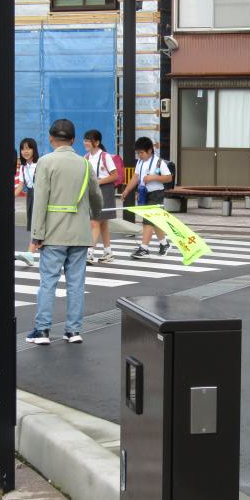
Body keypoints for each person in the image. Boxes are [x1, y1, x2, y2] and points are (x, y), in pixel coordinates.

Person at [26, 119, 102, 346]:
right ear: (73, 140)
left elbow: (40, 200)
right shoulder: (84, 164)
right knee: (76, 284)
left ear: (51, 138)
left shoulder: (45, 162)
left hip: (53, 232)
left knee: (48, 282)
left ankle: (42, 331)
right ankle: (73, 330)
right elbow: (96, 196)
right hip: (79, 233)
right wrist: (93, 213)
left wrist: (37, 234)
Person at [120, 137, 172, 259]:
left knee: (148, 221)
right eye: (138, 153)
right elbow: (135, 177)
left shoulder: (159, 162)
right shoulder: (140, 162)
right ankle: (164, 244)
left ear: (149, 150)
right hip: (143, 194)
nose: (139, 155)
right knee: (155, 220)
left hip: (156, 193)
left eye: (141, 153)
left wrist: (153, 177)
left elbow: (169, 178)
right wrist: (127, 190)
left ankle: (144, 248)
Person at [83, 129, 118, 265]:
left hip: (105, 191)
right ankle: (108, 252)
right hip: (93, 191)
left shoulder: (105, 156)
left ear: (97, 142)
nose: (86, 143)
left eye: (89, 140)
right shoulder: (86, 157)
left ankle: (89, 253)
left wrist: (99, 181)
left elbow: (115, 175)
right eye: (85, 140)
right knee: (102, 223)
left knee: (95, 222)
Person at [14, 138, 39, 231]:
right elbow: (20, 186)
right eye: (23, 149)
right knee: (32, 223)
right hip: (30, 195)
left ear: (34, 149)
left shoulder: (40, 164)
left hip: (40, 195)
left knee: (39, 223)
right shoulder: (23, 167)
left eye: (28, 148)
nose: (25, 151)